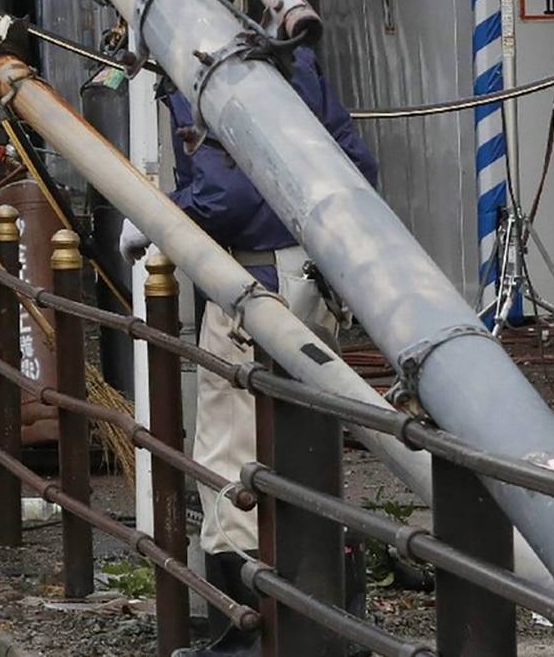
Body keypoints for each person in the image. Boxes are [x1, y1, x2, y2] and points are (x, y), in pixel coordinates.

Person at [122, 45, 377, 657]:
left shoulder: (194, 63)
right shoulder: (295, 60)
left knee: (233, 458)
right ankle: (330, 623)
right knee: (308, 454)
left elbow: (225, 198)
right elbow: (357, 164)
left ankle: (247, 638)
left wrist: (159, 217)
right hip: (313, 275)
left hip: (254, 287)